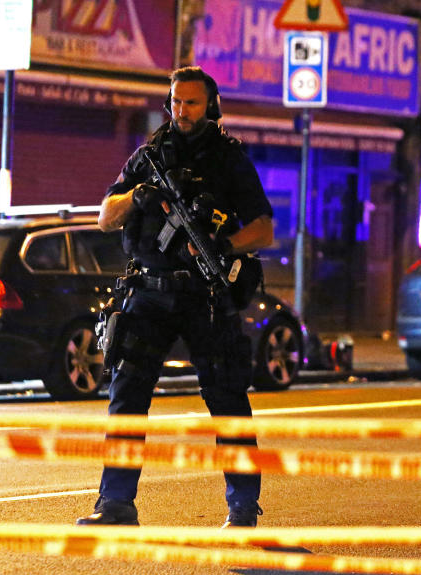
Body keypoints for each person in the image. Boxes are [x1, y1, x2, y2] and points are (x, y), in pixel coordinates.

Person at [77, 66, 274, 528]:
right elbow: (106, 216)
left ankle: (243, 506)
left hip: (204, 294)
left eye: (193, 103)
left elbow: (263, 228)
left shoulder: (229, 158)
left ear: (212, 107)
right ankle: (116, 503)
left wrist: (225, 245)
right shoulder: (148, 155)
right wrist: (139, 197)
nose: (182, 111)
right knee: (126, 397)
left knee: (227, 399)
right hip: (148, 293)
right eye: (177, 102)